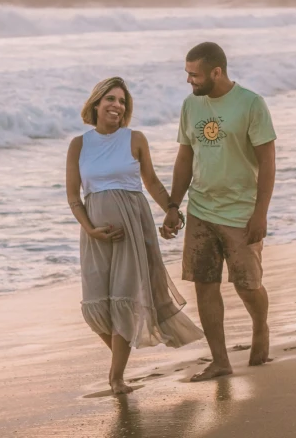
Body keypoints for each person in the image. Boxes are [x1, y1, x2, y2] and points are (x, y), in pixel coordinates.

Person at [66, 77, 204, 395]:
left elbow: (151, 182)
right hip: (95, 235)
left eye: (122, 101)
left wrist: (171, 208)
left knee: (125, 302)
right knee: (96, 305)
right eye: (111, 99)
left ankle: (116, 378)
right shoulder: (79, 144)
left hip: (133, 228)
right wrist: (90, 229)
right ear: (96, 103)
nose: (117, 105)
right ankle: (120, 361)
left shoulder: (135, 138)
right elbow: (74, 195)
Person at [161, 42, 277, 382]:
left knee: (247, 285)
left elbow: (267, 162)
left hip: (241, 211)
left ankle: (260, 326)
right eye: (187, 74)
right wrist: (173, 205)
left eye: (194, 75)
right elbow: (185, 157)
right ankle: (220, 360)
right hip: (200, 208)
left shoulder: (251, 104)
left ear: (217, 72)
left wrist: (261, 213)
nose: (189, 81)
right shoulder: (190, 106)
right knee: (204, 285)